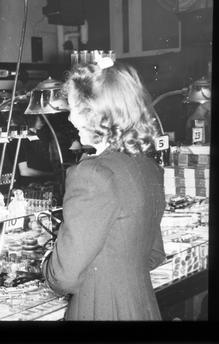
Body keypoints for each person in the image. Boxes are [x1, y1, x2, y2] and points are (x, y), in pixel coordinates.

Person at [41, 61, 166, 320]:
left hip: (100, 309)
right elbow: (153, 254)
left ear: (97, 115)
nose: (70, 118)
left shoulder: (92, 175)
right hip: (142, 307)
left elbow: (63, 277)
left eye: (75, 109)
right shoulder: (149, 167)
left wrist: (47, 260)